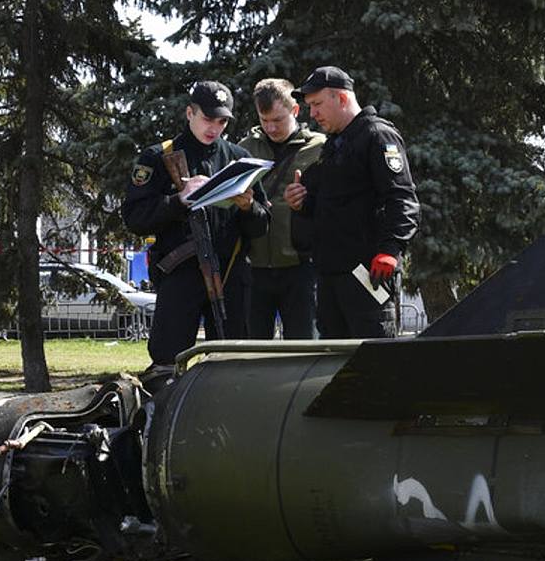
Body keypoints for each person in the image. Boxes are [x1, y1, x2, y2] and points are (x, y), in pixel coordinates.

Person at [123, 80, 271, 368]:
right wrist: (178, 200)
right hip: (180, 276)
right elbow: (135, 218)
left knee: (233, 363)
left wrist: (247, 207)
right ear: (189, 113)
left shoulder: (239, 159)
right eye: (207, 118)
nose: (214, 128)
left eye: (222, 121)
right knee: (167, 363)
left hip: (230, 276)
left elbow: (262, 226)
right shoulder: (158, 157)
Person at [282, 66, 418, 339]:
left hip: (367, 273)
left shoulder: (377, 135)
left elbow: (402, 198)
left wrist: (390, 249)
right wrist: (301, 202)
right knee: (332, 362)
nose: (313, 114)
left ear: (342, 98)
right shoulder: (334, 145)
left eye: (318, 104)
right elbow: (330, 205)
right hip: (331, 274)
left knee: (373, 360)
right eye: (310, 106)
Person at [240, 78, 326, 338]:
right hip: (254, 267)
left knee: (303, 347)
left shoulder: (321, 147)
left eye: (278, 119)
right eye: (264, 120)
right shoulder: (245, 149)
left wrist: (308, 199)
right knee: (250, 350)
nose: (271, 127)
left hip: (301, 267)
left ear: (295, 111)